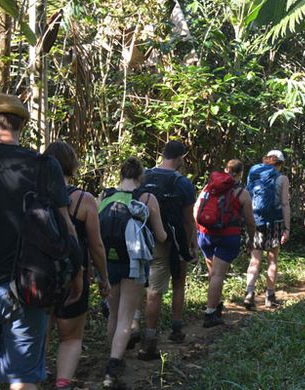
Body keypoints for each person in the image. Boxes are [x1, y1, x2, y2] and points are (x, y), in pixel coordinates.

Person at [0, 94, 82, 390]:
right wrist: (76, 271)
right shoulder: (46, 165)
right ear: (23, 125)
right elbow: (65, 225)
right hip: (31, 286)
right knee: (24, 377)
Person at [44, 141, 111, 390]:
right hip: (74, 275)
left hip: (37, 275)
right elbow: (96, 246)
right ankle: (62, 383)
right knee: (71, 337)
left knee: (41, 330)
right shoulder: (84, 200)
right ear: (71, 165)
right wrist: (104, 278)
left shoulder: (31, 194)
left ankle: (35, 376)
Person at [101, 157, 167, 389]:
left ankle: (113, 357)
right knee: (126, 318)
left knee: (113, 314)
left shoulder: (105, 195)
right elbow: (161, 236)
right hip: (133, 262)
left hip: (108, 262)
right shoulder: (147, 198)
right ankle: (113, 367)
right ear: (141, 176)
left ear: (121, 174)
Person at [138, 141, 197, 360]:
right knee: (176, 282)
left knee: (146, 286)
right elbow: (188, 219)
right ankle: (174, 328)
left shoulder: (144, 176)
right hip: (173, 241)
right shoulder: (182, 183)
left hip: (142, 239)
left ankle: (142, 331)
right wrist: (192, 243)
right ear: (181, 158)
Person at [194, 160, 256, 327]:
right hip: (227, 237)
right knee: (218, 275)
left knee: (213, 273)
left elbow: (196, 209)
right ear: (241, 173)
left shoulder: (209, 187)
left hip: (205, 235)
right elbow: (250, 221)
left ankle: (216, 303)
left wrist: (199, 231)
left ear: (226, 170)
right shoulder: (242, 193)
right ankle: (210, 313)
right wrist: (251, 239)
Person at [243, 150, 291, 309]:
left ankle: (249, 292)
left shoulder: (254, 174)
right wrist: (287, 227)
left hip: (256, 221)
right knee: (272, 260)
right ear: (280, 163)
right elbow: (284, 204)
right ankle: (270, 296)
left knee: (255, 260)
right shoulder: (282, 178)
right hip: (274, 222)